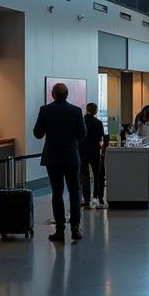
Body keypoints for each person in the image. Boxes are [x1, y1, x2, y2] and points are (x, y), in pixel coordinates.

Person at [33, 82, 87, 243]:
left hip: (53, 158)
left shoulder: (45, 110)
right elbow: (82, 134)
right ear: (67, 94)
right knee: (74, 192)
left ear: (52, 94)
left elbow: (37, 133)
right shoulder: (76, 111)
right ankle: (75, 228)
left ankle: (60, 230)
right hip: (71, 156)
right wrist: (72, 142)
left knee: (57, 193)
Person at [80, 101, 106, 209]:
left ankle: (86, 199)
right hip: (95, 152)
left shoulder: (81, 121)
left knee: (84, 176)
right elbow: (101, 139)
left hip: (82, 152)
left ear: (87, 109)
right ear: (95, 111)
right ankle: (98, 197)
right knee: (98, 175)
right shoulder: (98, 123)